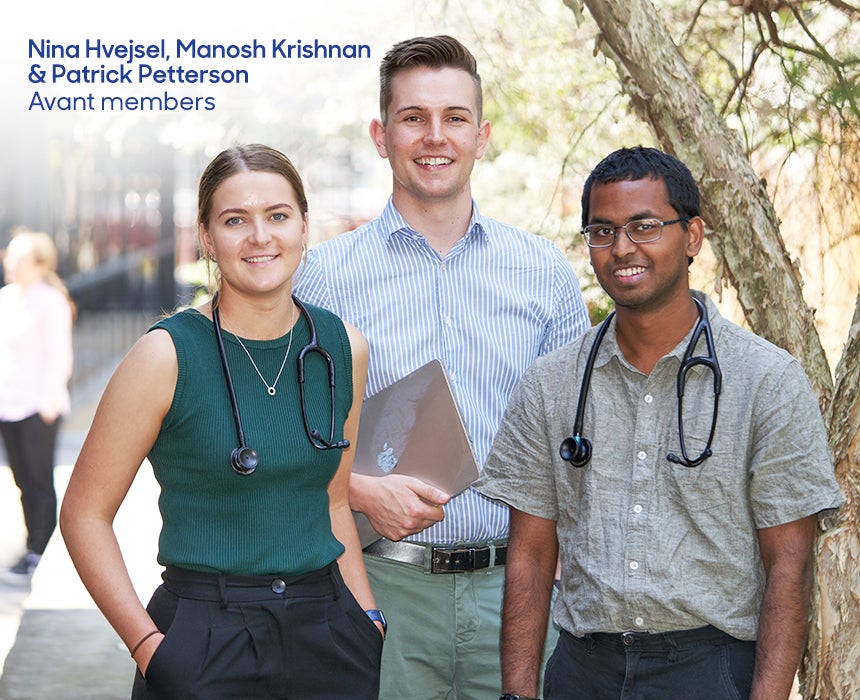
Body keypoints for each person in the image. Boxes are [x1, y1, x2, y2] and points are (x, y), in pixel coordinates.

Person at [475, 145, 845, 700]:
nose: (622, 248)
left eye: (644, 226)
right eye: (603, 231)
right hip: (583, 670)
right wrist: (517, 693)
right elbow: (529, 555)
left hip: (711, 670)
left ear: (692, 236)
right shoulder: (551, 384)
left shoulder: (767, 382)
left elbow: (788, 568)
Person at [293, 35, 590, 699]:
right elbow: (285, 434)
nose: (435, 137)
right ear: (381, 136)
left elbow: (580, 436)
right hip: (379, 588)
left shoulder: (542, 273)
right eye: (413, 117)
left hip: (520, 595)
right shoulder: (322, 279)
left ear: (481, 137)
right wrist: (359, 492)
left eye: (455, 118)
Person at [59, 144, 384, 699]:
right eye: (235, 220)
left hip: (328, 633)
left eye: (277, 215)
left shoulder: (342, 347)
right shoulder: (166, 355)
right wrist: (149, 647)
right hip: (204, 637)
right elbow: (84, 514)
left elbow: (332, 503)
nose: (260, 236)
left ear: (303, 226)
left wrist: (368, 621)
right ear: (207, 238)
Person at [0, 230, 74, 580]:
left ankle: (43, 550)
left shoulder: (52, 302)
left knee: (39, 480)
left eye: (19, 258)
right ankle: (33, 545)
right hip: (8, 406)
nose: (10, 264)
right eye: (9, 257)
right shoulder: (6, 299)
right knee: (21, 481)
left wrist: (48, 403)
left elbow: (59, 357)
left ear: (40, 265)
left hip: (38, 407)